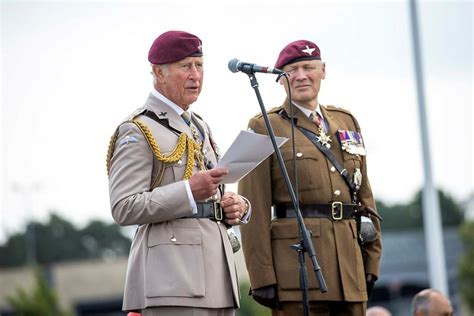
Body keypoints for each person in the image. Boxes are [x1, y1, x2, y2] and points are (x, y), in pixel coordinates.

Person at [107, 30, 251, 316]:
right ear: (158, 73)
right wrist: (188, 191)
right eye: (185, 66)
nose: (195, 75)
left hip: (218, 277)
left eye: (199, 65)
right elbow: (123, 207)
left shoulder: (199, 125)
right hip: (172, 279)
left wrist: (236, 206)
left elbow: (212, 188)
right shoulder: (136, 129)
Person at [238, 39, 382, 315]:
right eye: (292, 70)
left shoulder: (346, 122)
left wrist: (372, 261)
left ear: (323, 71)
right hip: (297, 271)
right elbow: (252, 207)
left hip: (350, 269)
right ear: (281, 80)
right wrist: (262, 275)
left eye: (308, 67)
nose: (301, 76)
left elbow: (365, 198)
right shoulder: (264, 125)